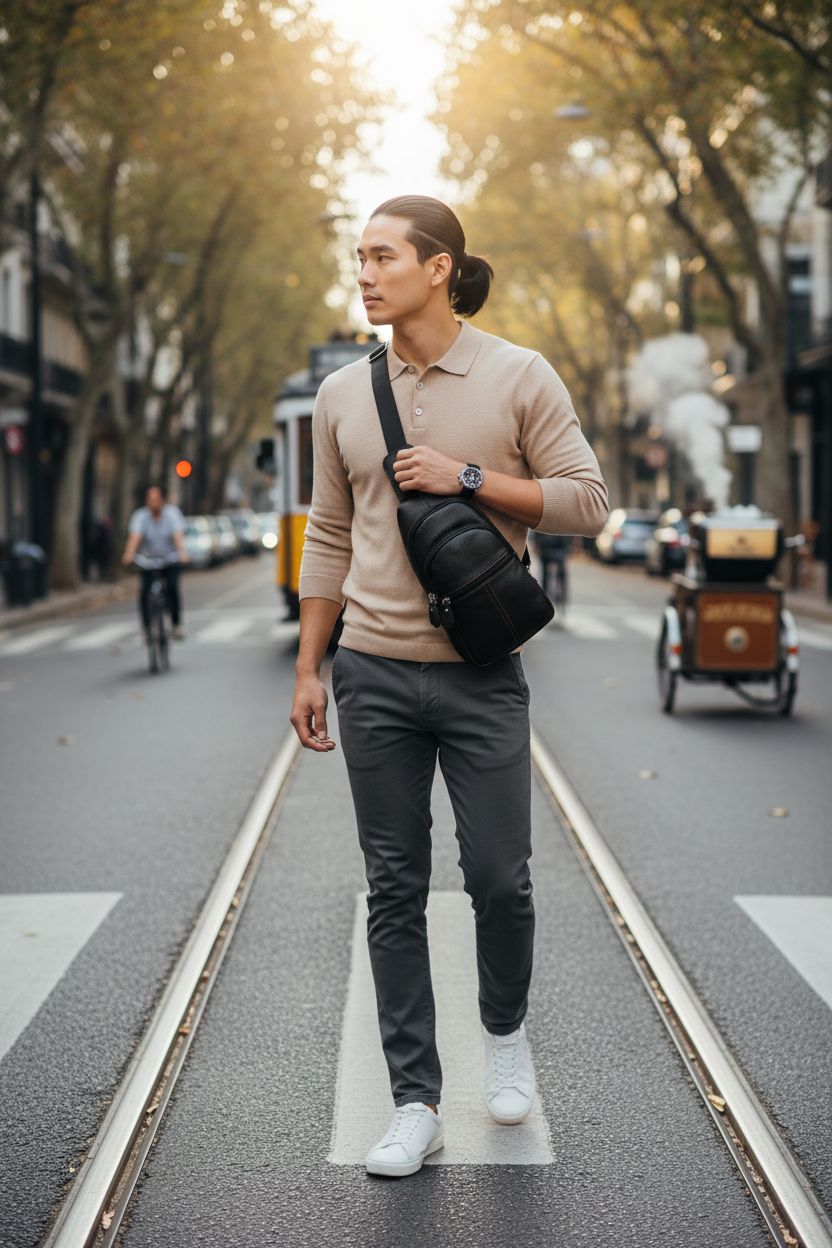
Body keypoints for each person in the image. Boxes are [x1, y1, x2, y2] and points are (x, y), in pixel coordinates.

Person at [290, 195, 608, 1178]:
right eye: (359, 257)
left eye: (383, 256)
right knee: (392, 891)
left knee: (499, 881)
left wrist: (467, 477)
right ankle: (414, 1100)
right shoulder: (343, 395)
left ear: (439, 267)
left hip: (480, 676)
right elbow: (330, 533)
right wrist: (310, 665)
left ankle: (503, 1034)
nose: (366, 272)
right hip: (373, 676)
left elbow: (586, 504)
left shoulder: (518, 374)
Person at [122, 485, 188, 640]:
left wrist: (182, 553)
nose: (154, 504)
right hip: (148, 561)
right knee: (145, 592)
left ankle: (176, 624)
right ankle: (146, 629)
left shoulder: (172, 515)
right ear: (146, 501)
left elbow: (177, 536)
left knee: (172, 588)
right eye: (151, 501)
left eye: (156, 500)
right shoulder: (140, 517)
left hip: (169, 558)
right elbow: (135, 538)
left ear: (162, 500)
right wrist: (129, 554)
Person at [532, 531, 572, 609]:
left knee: (556, 571)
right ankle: (549, 595)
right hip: (552, 545)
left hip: (555, 545)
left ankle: (558, 593)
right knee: (551, 572)